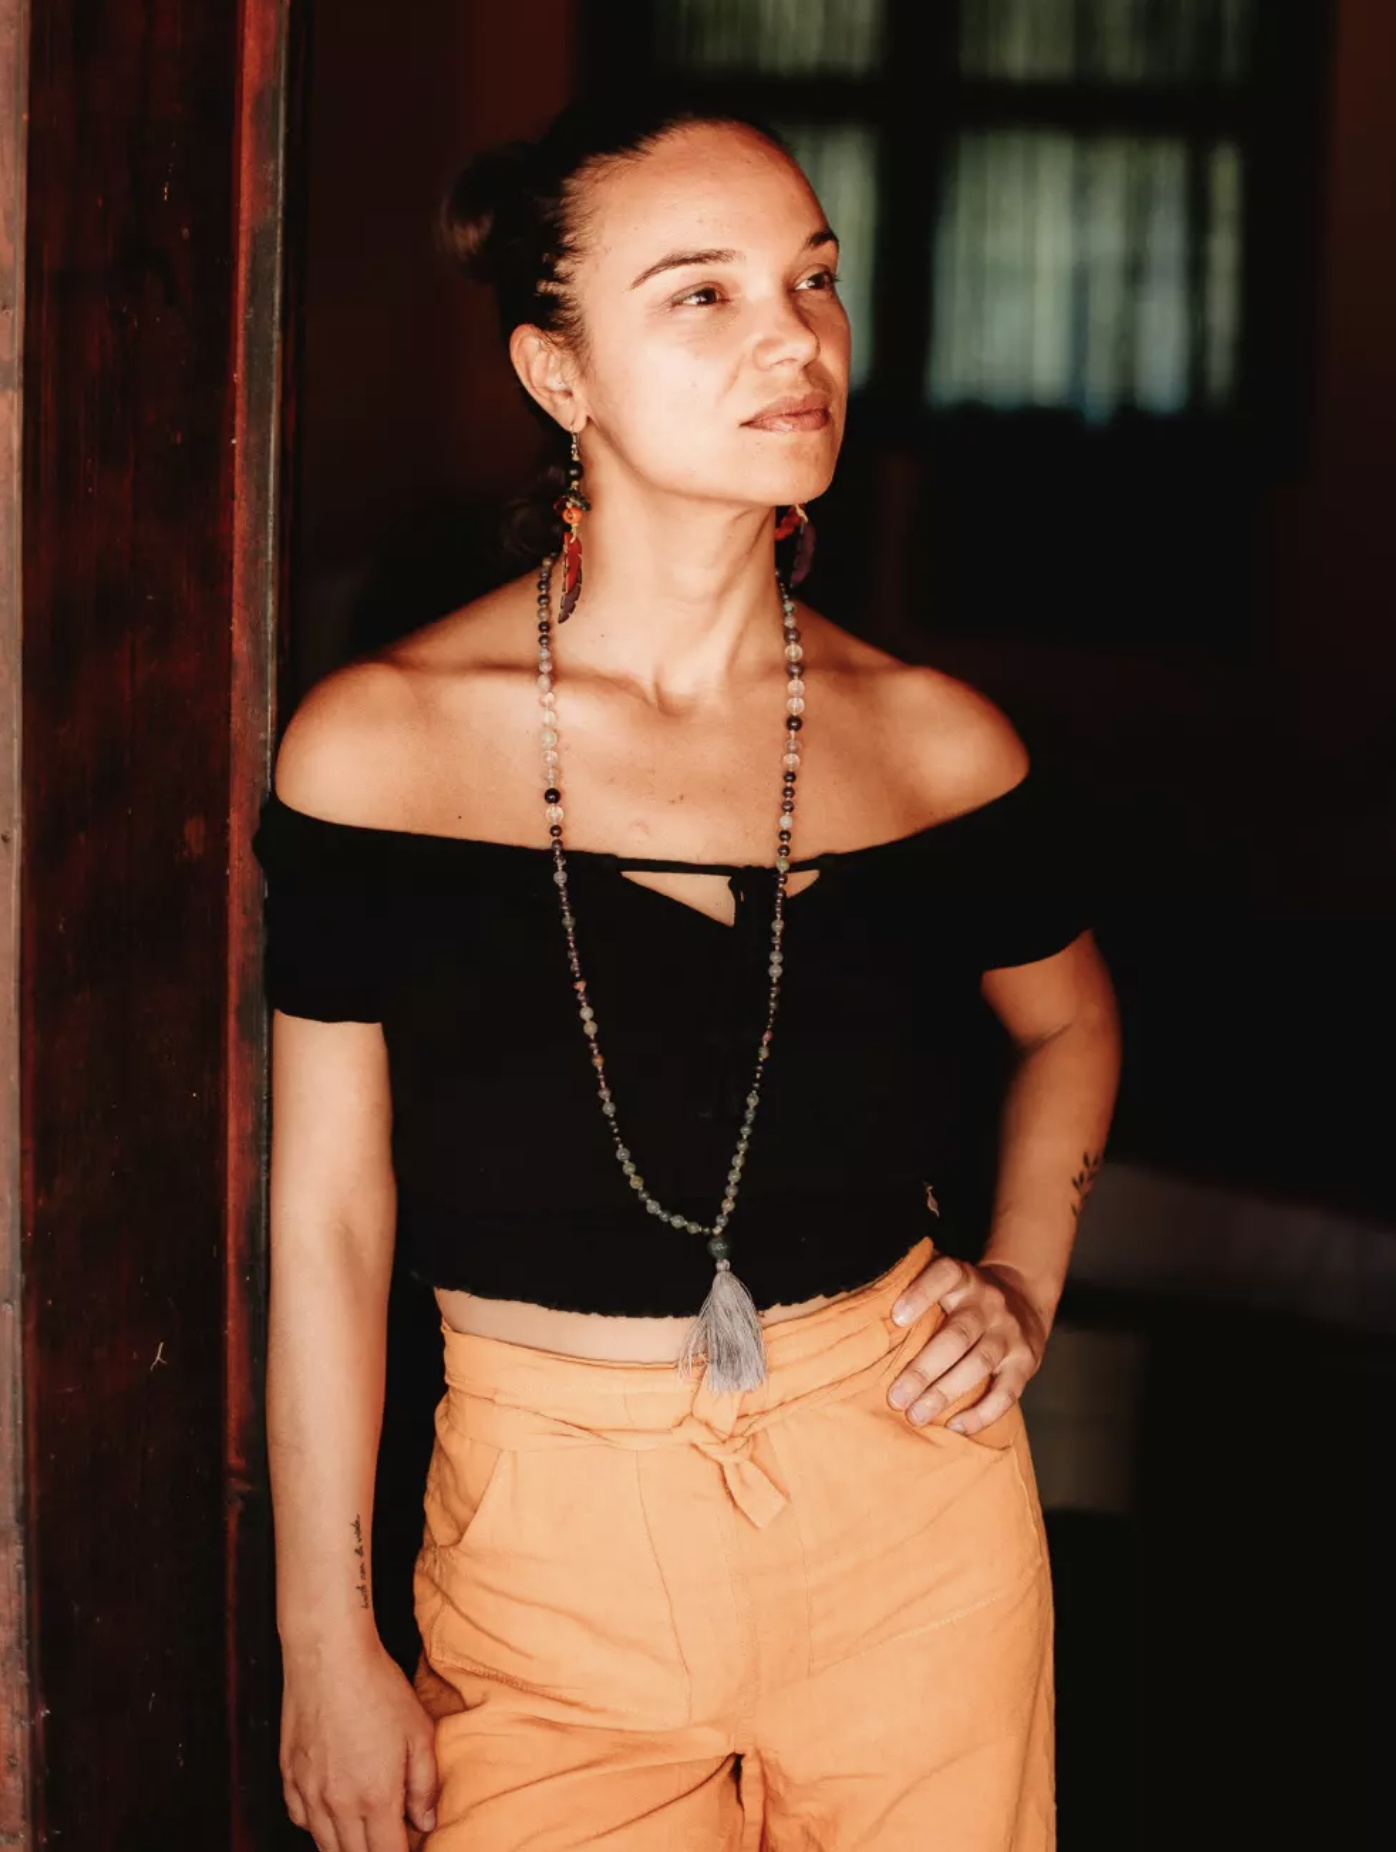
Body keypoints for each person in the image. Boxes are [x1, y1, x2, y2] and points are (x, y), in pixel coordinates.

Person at [254, 91, 1121, 1852]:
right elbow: (331, 1220)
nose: (792, 338)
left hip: (914, 1519)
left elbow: (1073, 1019)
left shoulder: (940, 746)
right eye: (702, 295)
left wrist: (1022, 1278)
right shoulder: (380, 749)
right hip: (543, 1543)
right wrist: (322, 1637)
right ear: (557, 377)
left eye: (814, 279)